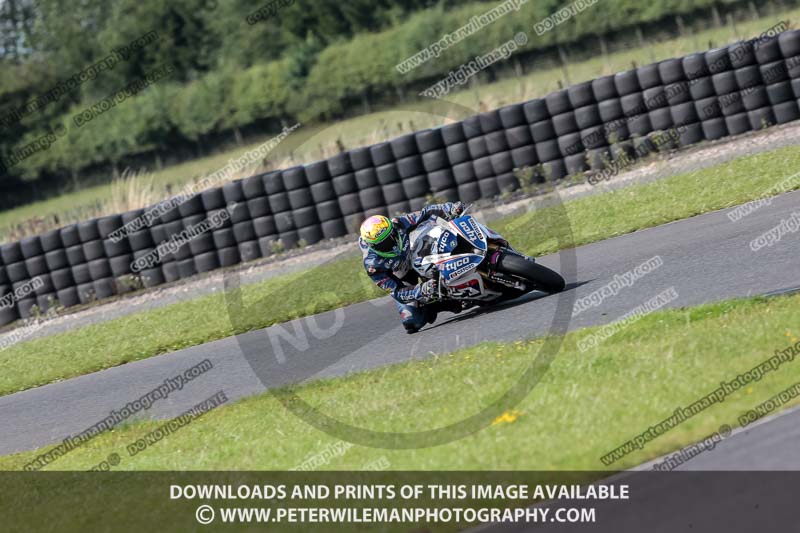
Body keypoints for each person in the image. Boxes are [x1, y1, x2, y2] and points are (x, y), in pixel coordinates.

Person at [358, 201, 466, 333]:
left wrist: (450, 208)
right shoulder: (372, 265)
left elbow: (425, 213)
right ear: (374, 247)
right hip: (402, 274)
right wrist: (420, 290)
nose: (392, 243)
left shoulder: (398, 223)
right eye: (384, 244)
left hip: (419, 251)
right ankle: (446, 301)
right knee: (411, 321)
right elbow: (396, 292)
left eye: (391, 236)